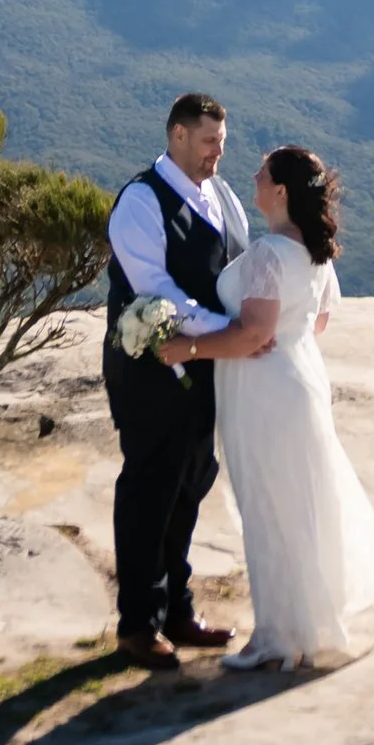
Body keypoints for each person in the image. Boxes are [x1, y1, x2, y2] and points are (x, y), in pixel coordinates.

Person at [165, 142, 374, 670]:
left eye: (262, 172)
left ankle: (274, 639)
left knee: (269, 509)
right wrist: (278, 334)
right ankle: (305, 627)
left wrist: (187, 348)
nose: (252, 174)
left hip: (263, 391)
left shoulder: (271, 254)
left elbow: (253, 335)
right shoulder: (312, 252)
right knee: (299, 506)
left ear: (279, 191)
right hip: (298, 380)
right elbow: (316, 321)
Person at [102, 90, 252, 668]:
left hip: (206, 362)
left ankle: (178, 611)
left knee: (191, 480)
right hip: (149, 369)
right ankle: (137, 624)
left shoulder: (222, 195)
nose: (217, 153)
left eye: (222, 142)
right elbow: (155, 291)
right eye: (209, 141)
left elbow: (235, 263)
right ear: (178, 135)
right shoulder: (141, 200)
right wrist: (231, 331)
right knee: (149, 487)